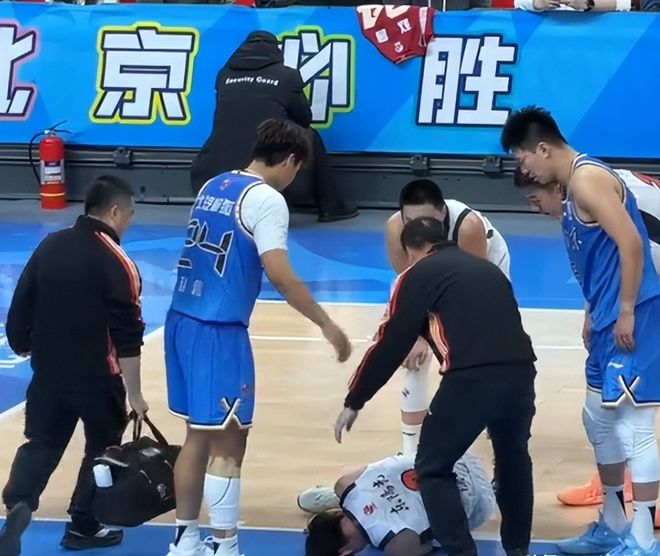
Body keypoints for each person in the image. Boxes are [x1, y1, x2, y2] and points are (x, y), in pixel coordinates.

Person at [165, 119, 352, 556]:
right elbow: (280, 274)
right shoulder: (267, 200)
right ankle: (225, 545)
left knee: (197, 436)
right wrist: (326, 324)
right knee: (230, 441)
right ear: (291, 160)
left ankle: (185, 541)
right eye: (298, 170)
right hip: (218, 331)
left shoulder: (215, 184)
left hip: (180, 320)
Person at [501, 106, 660, 556]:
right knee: (598, 418)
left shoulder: (588, 179)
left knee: (634, 426)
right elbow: (600, 257)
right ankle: (612, 522)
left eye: (522, 158)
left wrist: (626, 309)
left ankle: (643, 539)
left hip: (634, 314)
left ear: (543, 149)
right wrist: (593, 308)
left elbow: (631, 243)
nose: (524, 169)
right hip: (606, 317)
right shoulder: (571, 189)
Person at [335, 216, 537, 556]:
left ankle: (461, 552)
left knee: (431, 467)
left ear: (410, 251)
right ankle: (517, 549)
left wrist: (355, 399)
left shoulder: (417, 274)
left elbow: (392, 342)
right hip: (521, 373)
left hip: (472, 379)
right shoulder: (487, 269)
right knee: (513, 460)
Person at [0, 176, 148, 555]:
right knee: (103, 449)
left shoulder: (50, 245)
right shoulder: (119, 263)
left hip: (49, 372)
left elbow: (21, 304)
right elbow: (128, 335)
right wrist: (135, 395)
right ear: (114, 212)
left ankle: (19, 503)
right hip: (98, 379)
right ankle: (83, 524)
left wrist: (23, 345)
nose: (129, 222)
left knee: (42, 443)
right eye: (129, 214)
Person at [384, 179, 510, 456]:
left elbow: (468, 292)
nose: (418, 228)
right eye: (410, 221)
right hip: (434, 281)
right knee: (413, 354)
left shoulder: (468, 227)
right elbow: (410, 283)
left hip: (482, 275)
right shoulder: (394, 228)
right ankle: (410, 453)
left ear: (442, 214)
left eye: (426, 220)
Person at [190, 30, 357, 223]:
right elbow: (304, 118)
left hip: (214, 172)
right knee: (311, 136)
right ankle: (332, 207)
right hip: (268, 163)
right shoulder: (287, 76)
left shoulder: (224, 75)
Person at [299, 452, 496, 556]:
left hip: (479, 498)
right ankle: (342, 503)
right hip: (452, 454)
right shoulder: (345, 484)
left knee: (437, 535)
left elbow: (434, 546)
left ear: (346, 551)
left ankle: (500, 488)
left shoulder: (397, 548)